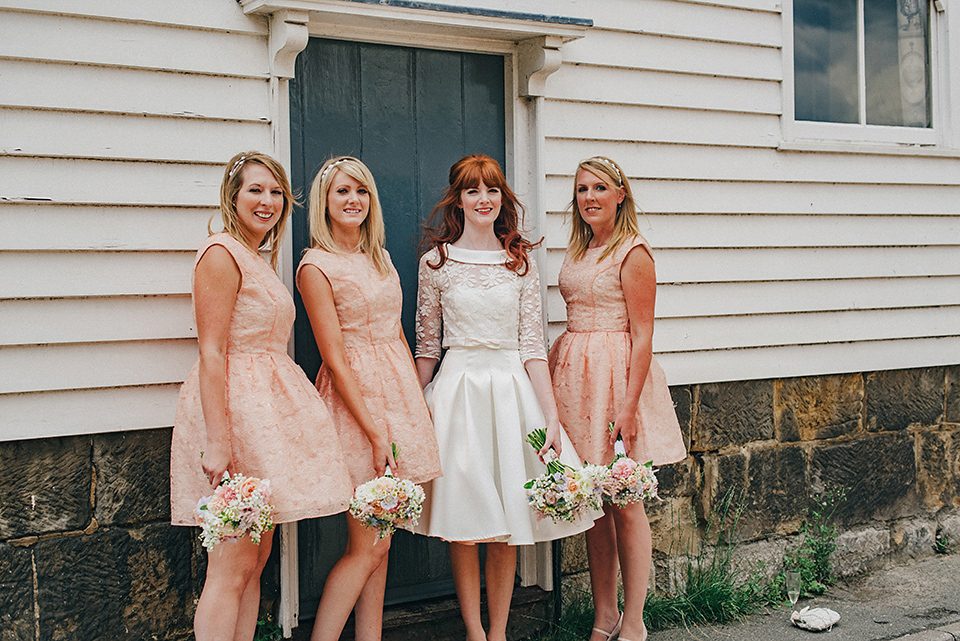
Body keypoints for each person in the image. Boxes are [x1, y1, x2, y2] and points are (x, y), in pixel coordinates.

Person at [170, 151, 354, 641]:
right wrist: (217, 438)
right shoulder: (221, 252)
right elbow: (211, 350)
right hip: (232, 413)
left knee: (255, 558)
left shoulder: (257, 258)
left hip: (265, 417)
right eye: (255, 190)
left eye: (275, 192)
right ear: (233, 197)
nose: (267, 201)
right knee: (230, 564)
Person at [413, 154, 598, 641]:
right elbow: (428, 347)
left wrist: (551, 417)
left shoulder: (519, 263)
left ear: (502, 198)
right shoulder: (436, 263)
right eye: (473, 191)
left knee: (508, 517)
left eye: (492, 190)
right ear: (458, 199)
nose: (484, 200)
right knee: (465, 518)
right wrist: (410, 410)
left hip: (512, 392)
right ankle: (474, 631)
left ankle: (499, 633)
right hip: (457, 393)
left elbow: (534, 348)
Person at [296, 156, 443, 641]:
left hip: (397, 391)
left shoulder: (377, 257)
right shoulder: (315, 266)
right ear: (325, 202)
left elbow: (398, 335)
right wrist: (375, 432)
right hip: (354, 400)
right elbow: (334, 358)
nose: (353, 200)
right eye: (342, 192)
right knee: (367, 544)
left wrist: (416, 404)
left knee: (383, 541)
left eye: (361, 191)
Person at [548, 156, 687, 641]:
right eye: (582, 189)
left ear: (620, 194)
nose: (589, 197)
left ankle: (635, 619)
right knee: (592, 501)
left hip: (617, 381)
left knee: (625, 499)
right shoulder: (581, 249)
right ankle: (603, 615)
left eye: (600, 188)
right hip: (575, 380)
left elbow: (643, 336)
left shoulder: (633, 252)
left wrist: (627, 409)